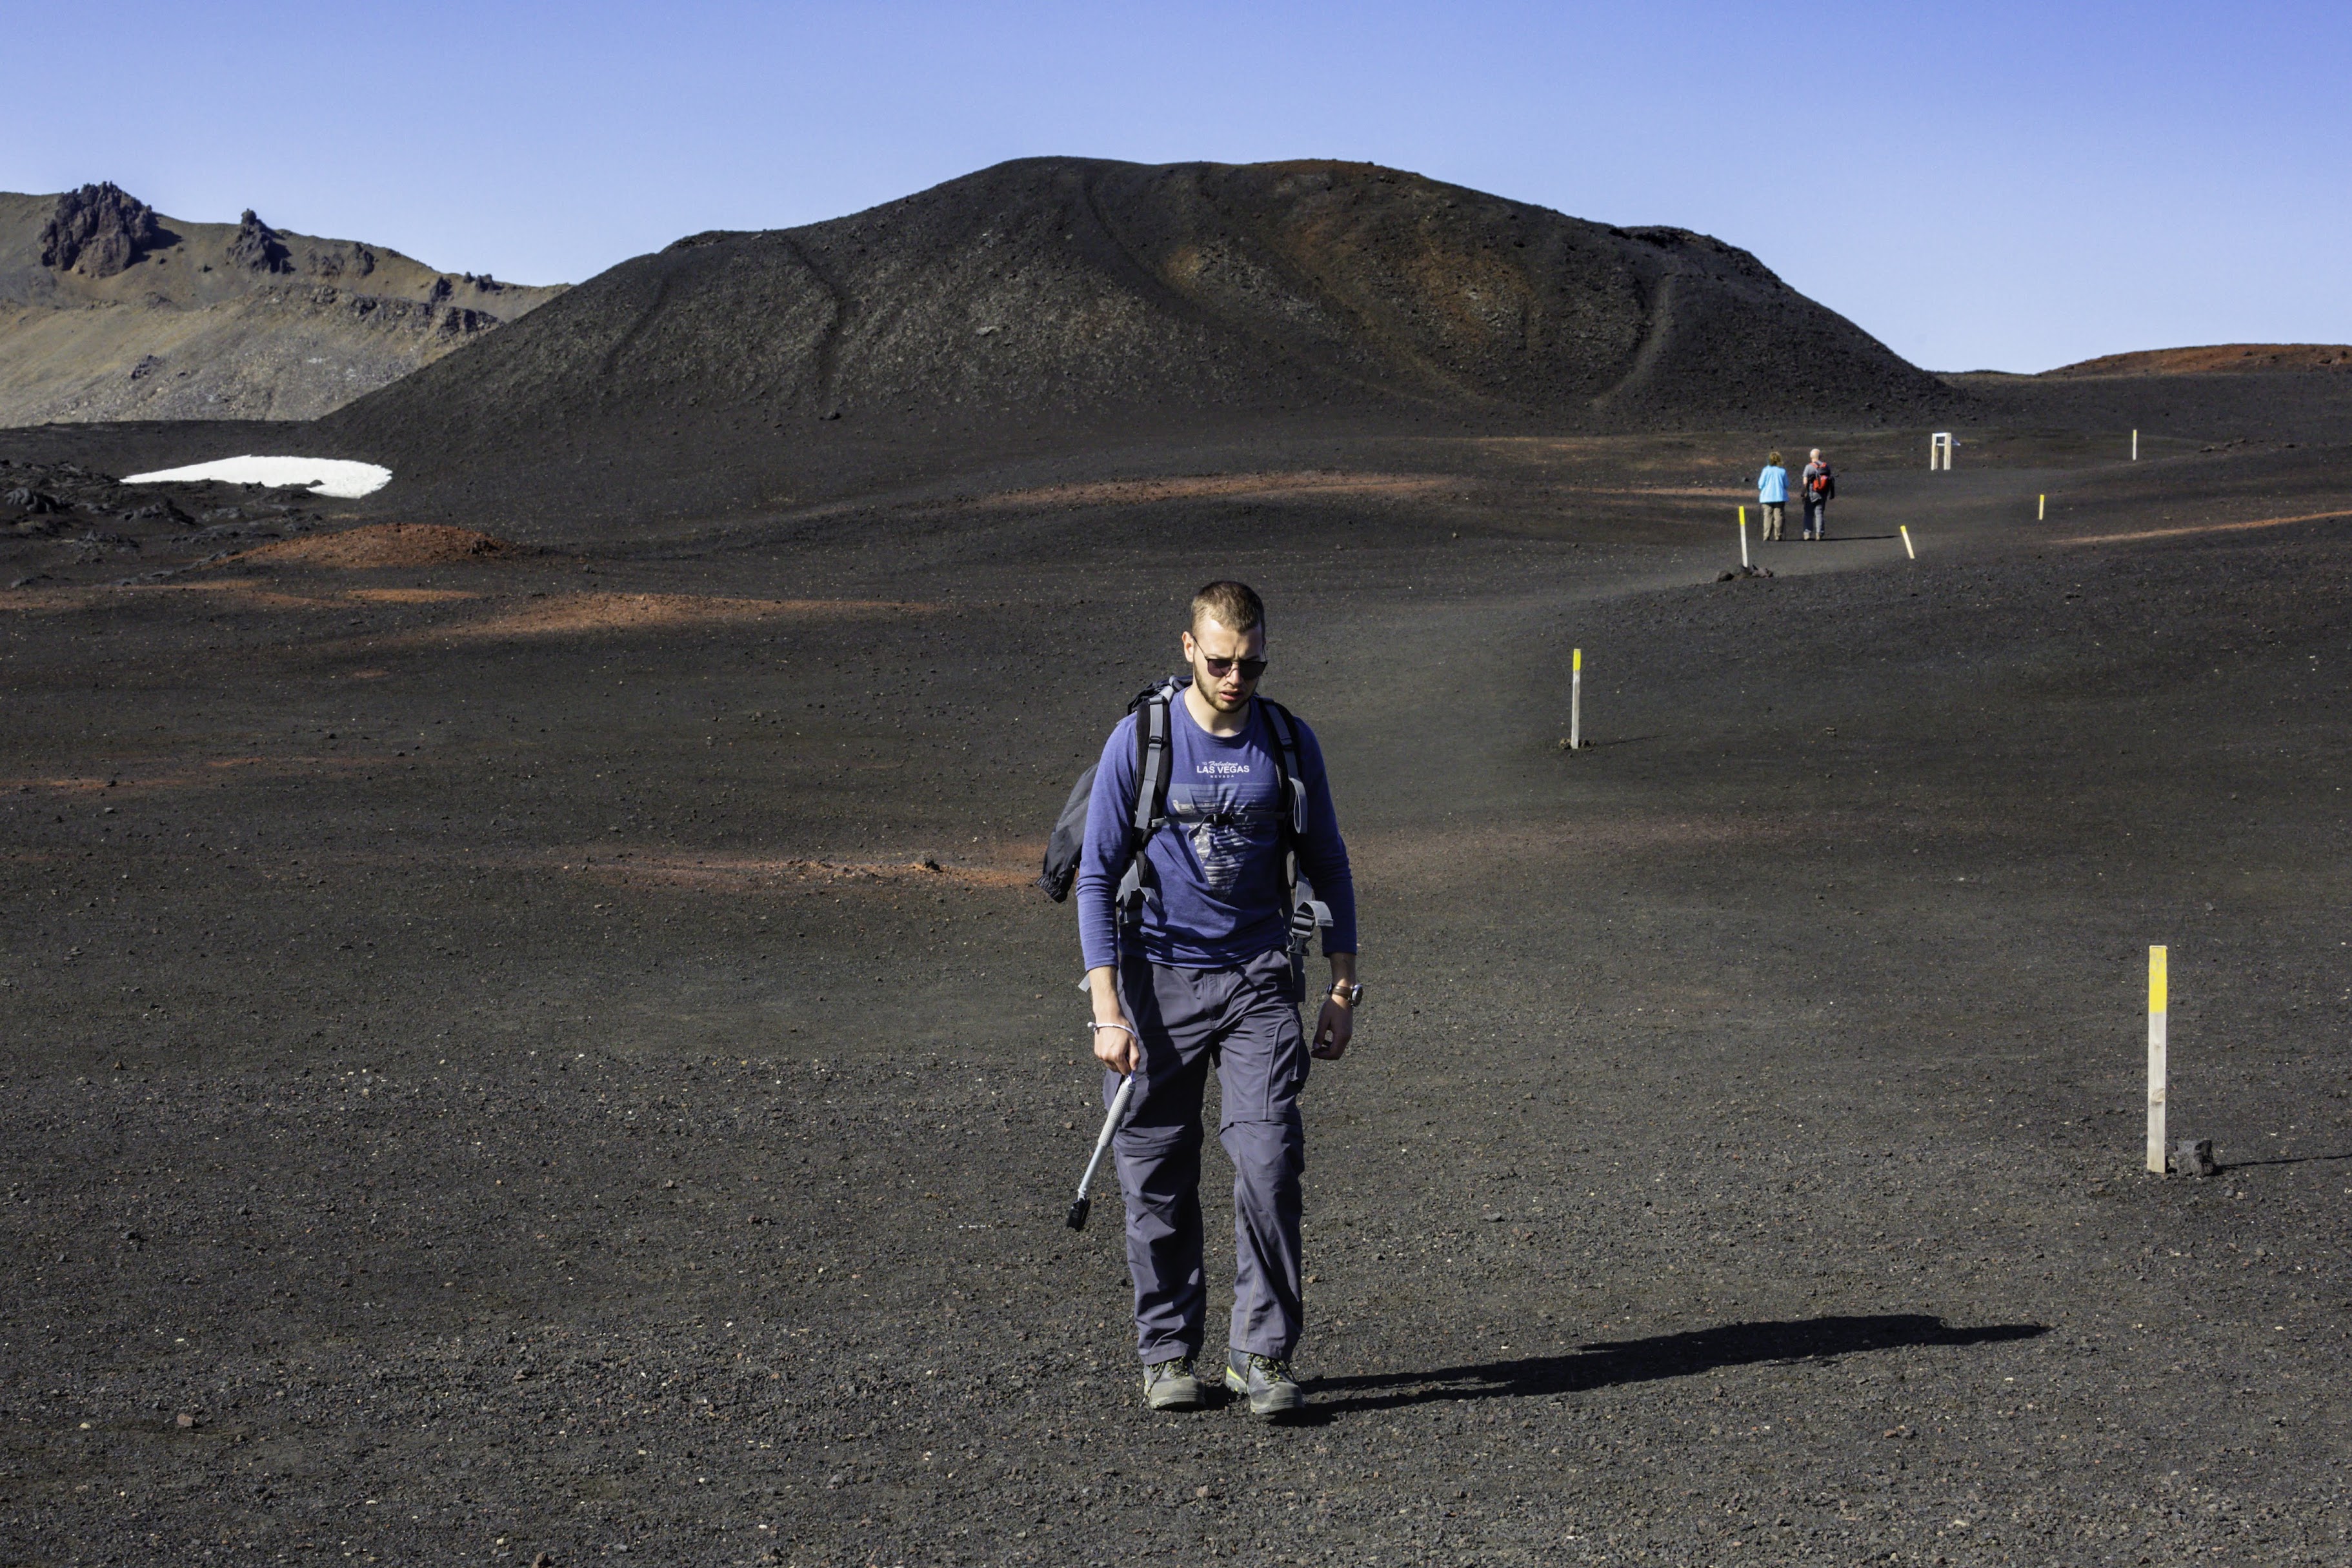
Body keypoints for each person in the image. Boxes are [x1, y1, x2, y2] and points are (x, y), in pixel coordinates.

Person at [1076, 580, 1358, 1420]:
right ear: (1190, 649)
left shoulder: (1287, 743)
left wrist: (1344, 983)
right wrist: (1108, 1009)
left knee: (1269, 1163)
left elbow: (1330, 862)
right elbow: (1095, 875)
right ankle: (1167, 1352)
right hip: (1152, 982)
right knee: (1154, 1172)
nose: (1237, 676)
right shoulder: (1143, 739)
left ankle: (1259, 1352)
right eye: (1223, 660)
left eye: (1252, 660)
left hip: (1257, 980)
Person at [1802, 448, 1836, 540]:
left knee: (1808, 513)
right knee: (1819, 513)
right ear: (1820, 456)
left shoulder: (1809, 467)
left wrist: (1803, 493)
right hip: (1823, 493)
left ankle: (1807, 533)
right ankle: (1819, 533)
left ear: (1811, 457)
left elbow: (1805, 481)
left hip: (1811, 493)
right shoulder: (1826, 466)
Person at [1756, 450, 1788, 541]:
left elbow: (1760, 484)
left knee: (1767, 516)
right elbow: (1786, 485)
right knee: (1779, 516)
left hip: (1767, 497)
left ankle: (1766, 535)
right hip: (1780, 497)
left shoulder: (1766, 470)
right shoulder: (1782, 471)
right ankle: (1778, 535)